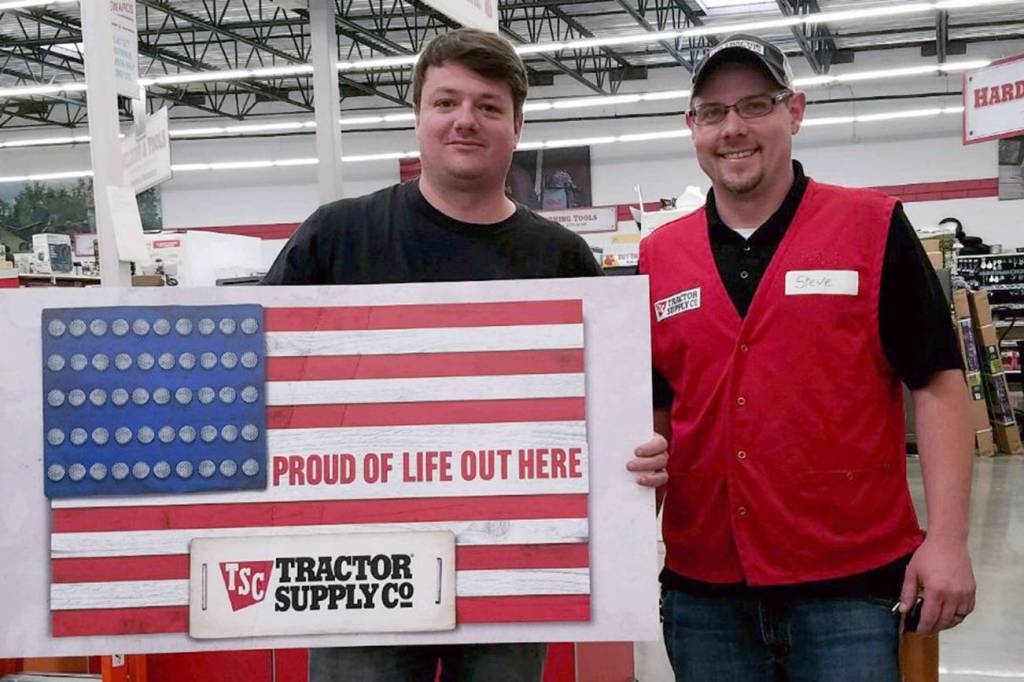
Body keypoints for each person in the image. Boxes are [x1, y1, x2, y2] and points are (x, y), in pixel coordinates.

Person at [263, 27, 668, 682]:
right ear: (418, 116)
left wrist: (636, 454)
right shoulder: (337, 237)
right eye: (446, 102)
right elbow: (262, 376)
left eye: (488, 106)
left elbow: (614, 406)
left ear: (518, 126)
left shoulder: (560, 259)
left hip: (511, 568)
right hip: (358, 570)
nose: (465, 120)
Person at [636, 34, 976, 681]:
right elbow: (654, 409)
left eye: (755, 105)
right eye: (713, 112)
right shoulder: (659, 257)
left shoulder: (872, 227)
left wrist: (949, 539)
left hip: (851, 592)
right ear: (692, 126)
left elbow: (937, 383)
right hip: (705, 597)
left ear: (794, 111)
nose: (733, 129)